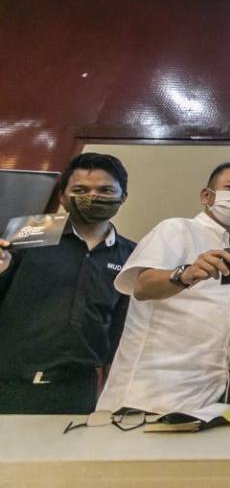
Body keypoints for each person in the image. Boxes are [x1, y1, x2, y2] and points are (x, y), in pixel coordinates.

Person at [96, 161, 230, 414]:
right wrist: (184, 274)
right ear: (207, 195)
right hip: (149, 396)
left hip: (206, 395)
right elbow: (142, 286)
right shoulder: (176, 229)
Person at [0, 153, 135, 414]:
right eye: (81, 190)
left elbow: (122, 325)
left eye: (105, 190)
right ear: (62, 197)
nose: (93, 196)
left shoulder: (131, 255)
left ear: (123, 196)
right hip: (10, 381)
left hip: (76, 387)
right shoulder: (25, 236)